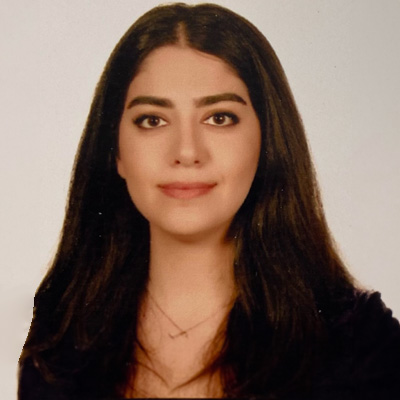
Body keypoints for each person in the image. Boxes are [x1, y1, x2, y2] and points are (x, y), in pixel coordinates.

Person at [18, 3, 400, 399]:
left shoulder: (360, 343)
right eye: (152, 119)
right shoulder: (56, 340)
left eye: (219, 117)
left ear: (268, 142)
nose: (186, 151)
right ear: (115, 150)